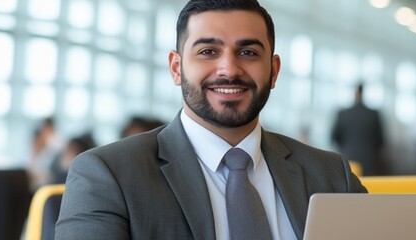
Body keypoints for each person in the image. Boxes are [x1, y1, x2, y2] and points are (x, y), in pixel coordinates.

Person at [56, 1, 367, 239]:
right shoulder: (108, 176)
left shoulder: (331, 176)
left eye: (247, 52)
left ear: (274, 70)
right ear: (176, 68)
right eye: (207, 51)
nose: (229, 69)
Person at [331, 84, 385, 175]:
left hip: (347, 158)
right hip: (369, 159)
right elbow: (381, 140)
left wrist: (344, 148)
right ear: (363, 93)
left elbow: (334, 137)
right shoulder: (373, 114)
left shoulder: (343, 114)